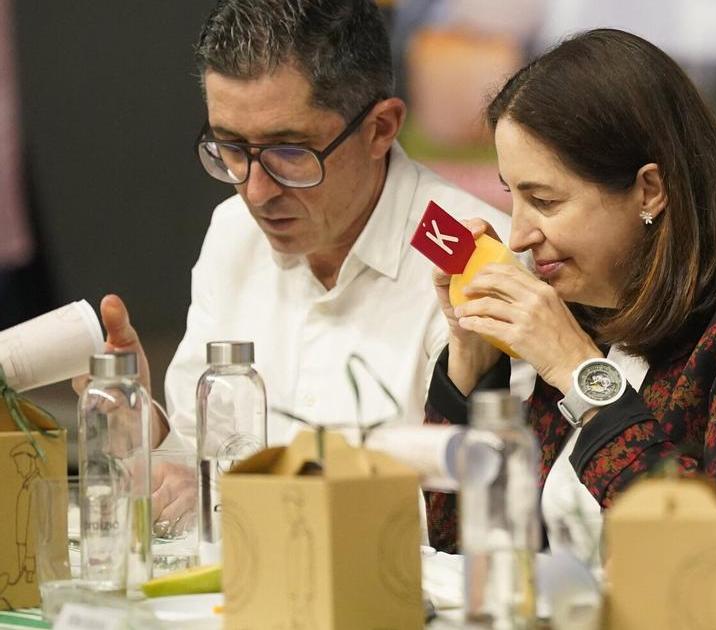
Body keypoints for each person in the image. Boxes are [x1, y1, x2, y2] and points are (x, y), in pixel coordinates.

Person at [77, 0, 510, 519]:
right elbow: (201, 460)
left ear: (381, 128)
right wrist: (150, 435)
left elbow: (487, 502)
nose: (256, 192)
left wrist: (238, 501)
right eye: (230, 147)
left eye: (290, 152)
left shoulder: (469, 252)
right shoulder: (232, 231)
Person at [422, 29, 716, 553]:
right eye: (514, 198)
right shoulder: (582, 308)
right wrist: (472, 357)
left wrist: (579, 373)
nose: (518, 236)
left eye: (545, 202)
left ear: (649, 190)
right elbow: (460, 544)